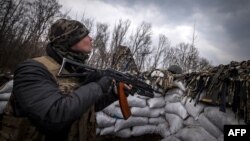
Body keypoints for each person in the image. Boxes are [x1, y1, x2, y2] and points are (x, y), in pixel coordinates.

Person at [0, 19, 128, 141]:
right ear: (70, 40)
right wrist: (97, 87)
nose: (91, 38)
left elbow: (85, 107)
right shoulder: (32, 69)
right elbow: (52, 116)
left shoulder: (74, 71)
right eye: (85, 35)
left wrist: (114, 94)